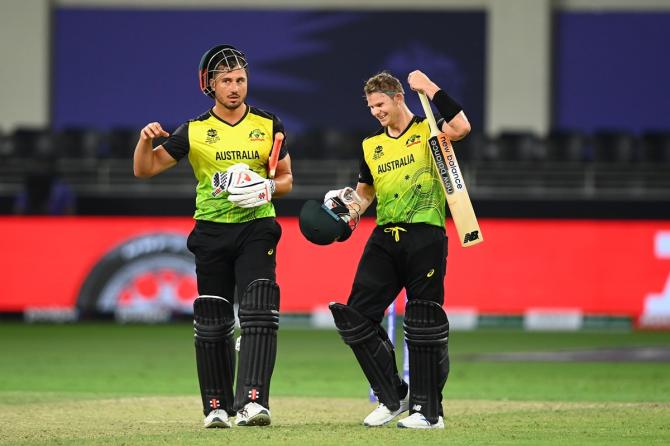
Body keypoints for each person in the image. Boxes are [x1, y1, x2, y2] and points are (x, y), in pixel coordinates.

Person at [133, 44, 293, 428]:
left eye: (240, 79)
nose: (235, 87)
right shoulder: (194, 130)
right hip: (211, 231)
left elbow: (285, 178)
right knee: (213, 319)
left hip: (257, 226)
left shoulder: (269, 125)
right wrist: (144, 140)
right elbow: (146, 169)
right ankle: (218, 407)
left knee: (258, 309)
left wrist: (266, 189)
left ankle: (254, 402)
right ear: (211, 85)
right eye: (226, 81)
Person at [326, 70, 470, 429]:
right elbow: (366, 193)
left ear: (399, 97)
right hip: (384, 236)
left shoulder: (429, 131)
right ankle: (393, 396)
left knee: (423, 321)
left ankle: (428, 411)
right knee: (355, 317)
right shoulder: (370, 146)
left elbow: (463, 127)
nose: (376, 111)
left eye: (381, 104)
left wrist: (432, 88)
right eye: (371, 106)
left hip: (426, 234)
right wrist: (345, 210)